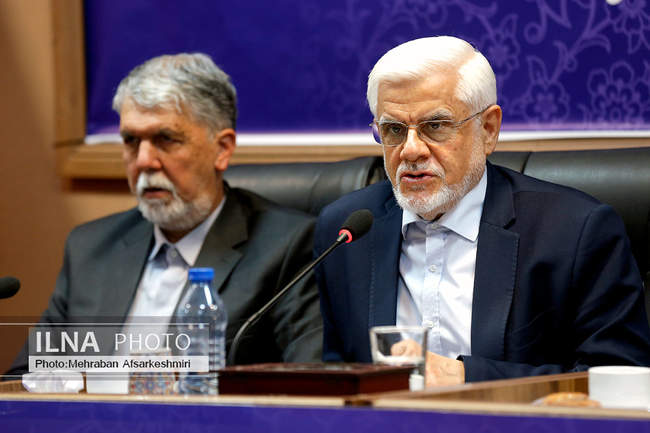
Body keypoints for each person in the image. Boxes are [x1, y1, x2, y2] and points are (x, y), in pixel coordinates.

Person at [314, 36, 650, 386]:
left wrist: (466, 377)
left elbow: (621, 378)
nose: (410, 151)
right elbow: (337, 378)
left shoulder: (575, 231)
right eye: (394, 130)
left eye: (435, 126)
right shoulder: (346, 232)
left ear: (488, 129)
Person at [7, 53, 322, 376]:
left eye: (166, 139)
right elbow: (24, 378)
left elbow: (310, 384)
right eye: (131, 140)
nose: (144, 160)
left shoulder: (288, 248)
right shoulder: (90, 249)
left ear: (222, 149)